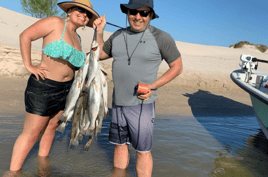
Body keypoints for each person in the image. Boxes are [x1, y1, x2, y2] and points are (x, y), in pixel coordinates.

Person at [93, 0, 183, 176]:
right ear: (127, 12)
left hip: (142, 105)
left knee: (142, 150)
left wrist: (153, 87)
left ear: (150, 15)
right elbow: (100, 54)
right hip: (118, 103)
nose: (138, 17)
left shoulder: (161, 37)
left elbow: (177, 67)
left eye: (144, 13)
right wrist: (99, 31)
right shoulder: (118, 35)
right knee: (119, 146)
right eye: (133, 12)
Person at [9, 0, 99, 172]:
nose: (84, 15)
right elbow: (25, 36)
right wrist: (29, 65)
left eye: (88, 14)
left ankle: (43, 166)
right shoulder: (55, 23)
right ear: (71, 10)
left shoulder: (78, 38)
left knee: (51, 127)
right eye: (81, 10)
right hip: (44, 87)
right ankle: (13, 172)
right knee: (32, 133)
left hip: (66, 90)